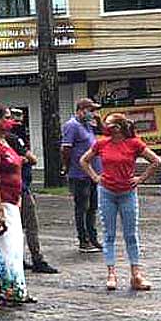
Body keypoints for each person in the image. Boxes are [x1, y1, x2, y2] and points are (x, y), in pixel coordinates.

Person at [79, 113, 161, 291]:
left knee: (131, 234)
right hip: (106, 191)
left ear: (118, 127)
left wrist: (141, 178)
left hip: (128, 193)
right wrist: (95, 177)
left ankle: (136, 275)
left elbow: (156, 160)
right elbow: (84, 160)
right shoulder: (101, 143)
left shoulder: (134, 143)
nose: (105, 127)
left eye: (109, 124)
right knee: (109, 235)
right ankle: (111, 273)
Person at [0, 104, 34, 306]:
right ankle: (2, 290)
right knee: (1, 246)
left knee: (13, 246)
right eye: (7, 117)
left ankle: (12, 288)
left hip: (11, 200)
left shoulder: (6, 142)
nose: (11, 121)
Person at [6, 109, 58, 275]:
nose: (18, 121)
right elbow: (33, 159)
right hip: (20, 187)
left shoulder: (0, 140)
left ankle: (18, 257)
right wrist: (24, 158)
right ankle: (37, 259)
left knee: (17, 226)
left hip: (15, 186)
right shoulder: (14, 139)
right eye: (13, 118)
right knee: (30, 224)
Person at [62, 98, 104, 253]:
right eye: (91, 110)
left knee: (92, 207)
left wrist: (98, 121)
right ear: (82, 109)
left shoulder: (88, 125)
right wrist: (66, 166)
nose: (93, 113)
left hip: (93, 173)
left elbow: (104, 132)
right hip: (79, 173)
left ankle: (93, 238)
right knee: (82, 207)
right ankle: (83, 240)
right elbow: (66, 148)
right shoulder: (72, 125)